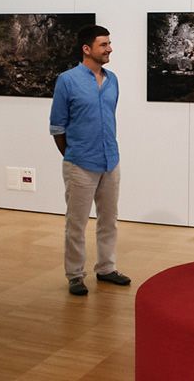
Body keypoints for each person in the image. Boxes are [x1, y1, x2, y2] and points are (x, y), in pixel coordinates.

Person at [49, 24, 130, 296]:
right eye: (103, 45)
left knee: (109, 219)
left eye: (109, 43)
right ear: (87, 49)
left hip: (111, 160)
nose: (109, 49)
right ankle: (74, 275)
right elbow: (57, 127)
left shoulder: (113, 80)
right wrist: (74, 155)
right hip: (80, 163)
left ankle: (106, 268)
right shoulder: (67, 80)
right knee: (76, 223)